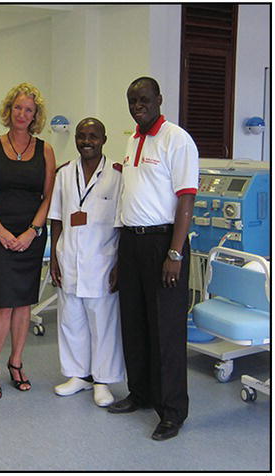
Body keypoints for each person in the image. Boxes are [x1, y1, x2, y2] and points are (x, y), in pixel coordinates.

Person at [108, 77, 198, 441]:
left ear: (159, 99)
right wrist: (118, 255)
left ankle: (172, 411)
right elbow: (128, 198)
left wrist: (175, 253)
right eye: (132, 100)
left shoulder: (176, 139)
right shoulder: (131, 141)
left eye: (144, 99)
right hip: (131, 243)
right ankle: (141, 393)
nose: (137, 105)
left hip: (164, 244)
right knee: (134, 323)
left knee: (166, 331)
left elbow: (186, 199)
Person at [0, 83, 56, 399]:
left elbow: (49, 196)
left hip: (31, 235)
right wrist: (1, 232)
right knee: (3, 303)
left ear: (35, 116)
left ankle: (17, 361)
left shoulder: (45, 150)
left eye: (29, 110)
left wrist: (32, 231)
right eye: (18, 108)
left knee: (24, 302)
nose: (22, 114)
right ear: (9, 111)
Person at [48, 118, 125, 408]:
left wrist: (119, 264)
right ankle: (77, 374)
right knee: (71, 319)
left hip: (101, 260)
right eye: (81, 136)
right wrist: (55, 256)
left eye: (93, 136)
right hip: (69, 256)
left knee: (102, 322)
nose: (86, 141)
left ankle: (102, 380)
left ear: (104, 139)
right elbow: (56, 216)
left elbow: (121, 223)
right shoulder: (65, 173)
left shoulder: (117, 174)